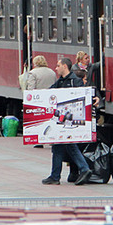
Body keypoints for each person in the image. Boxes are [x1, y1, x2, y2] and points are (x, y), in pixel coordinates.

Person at [42, 57, 92, 186]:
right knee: (58, 147)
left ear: (65, 66)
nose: (56, 68)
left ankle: (84, 168)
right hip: (62, 121)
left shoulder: (75, 81)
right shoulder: (61, 81)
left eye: (58, 65)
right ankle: (55, 176)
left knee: (69, 145)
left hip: (70, 122)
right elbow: (49, 93)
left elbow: (82, 97)